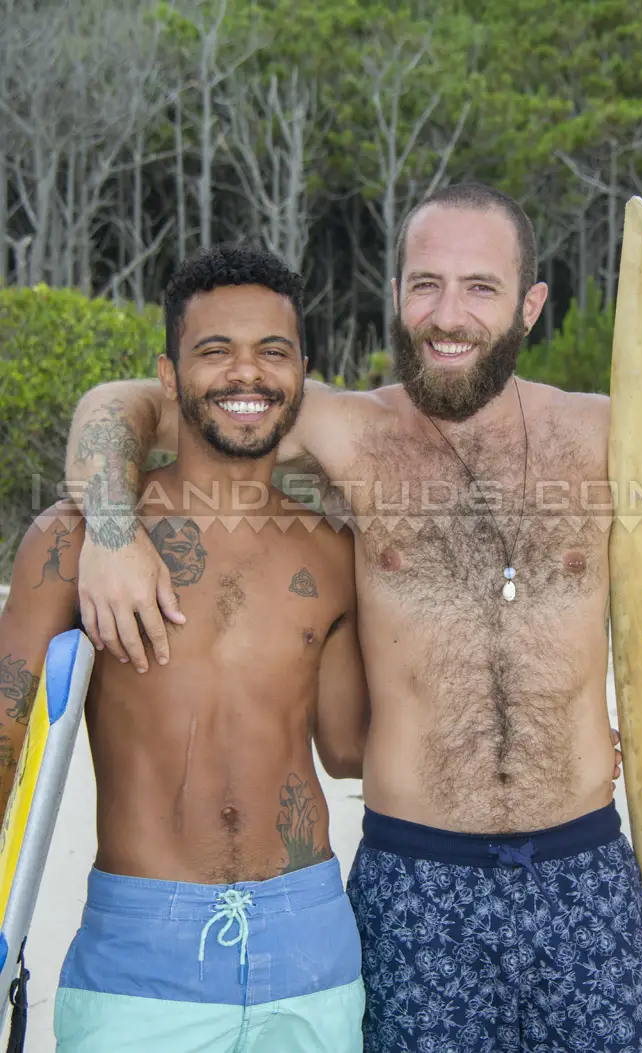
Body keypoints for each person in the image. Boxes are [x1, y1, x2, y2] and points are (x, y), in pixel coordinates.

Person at [63, 183, 642, 1053]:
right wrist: (111, 530)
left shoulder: (606, 435)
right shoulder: (341, 430)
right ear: (396, 293)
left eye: (480, 287)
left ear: (531, 304)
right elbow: (125, 403)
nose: (447, 315)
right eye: (426, 284)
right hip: (417, 882)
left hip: (586, 875)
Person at [0, 245, 369, 1053]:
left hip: (309, 941)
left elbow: (348, 749)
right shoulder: (73, 542)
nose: (248, 373)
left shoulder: (332, 552)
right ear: (169, 377)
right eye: (215, 350)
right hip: (142, 950)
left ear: (303, 374)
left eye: (273, 350)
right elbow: (6, 742)